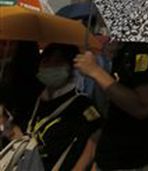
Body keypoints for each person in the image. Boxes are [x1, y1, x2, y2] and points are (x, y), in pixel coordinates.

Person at [75, 41, 148, 171]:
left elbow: (141, 107)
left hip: (134, 159)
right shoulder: (127, 47)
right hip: (113, 154)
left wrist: (95, 70)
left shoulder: (145, 48)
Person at [29, 43, 102, 171]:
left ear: (71, 67)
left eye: (58, 62)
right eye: (46, 62)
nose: (50, 67)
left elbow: (93, 144)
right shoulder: (32, 100)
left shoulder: (82, 106)